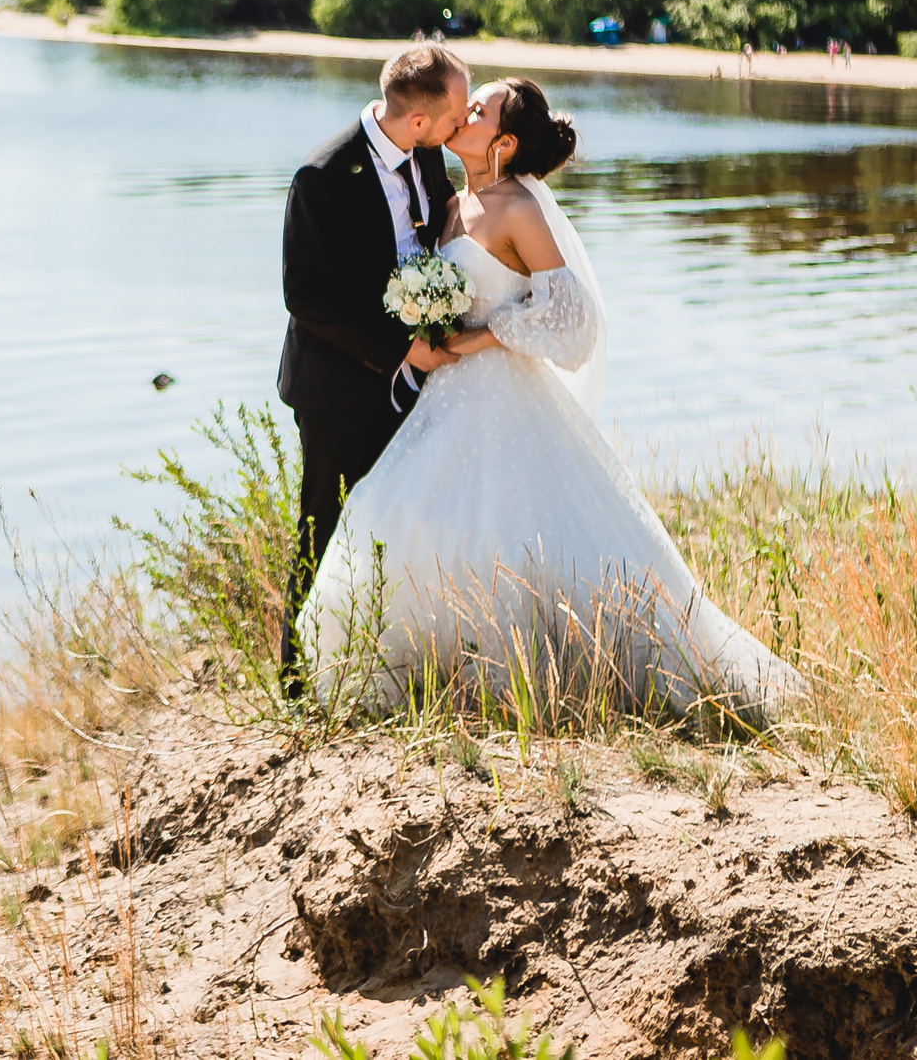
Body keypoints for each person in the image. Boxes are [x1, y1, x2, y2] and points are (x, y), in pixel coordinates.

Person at [296, 77, 800, 719]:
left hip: (504, 395)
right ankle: (422, 675)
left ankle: (540, 682)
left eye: (478, 110)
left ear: (503, 142)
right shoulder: (454, 203)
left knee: (511, 535)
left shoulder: (516, 208)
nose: (464, 111)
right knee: (405, 518)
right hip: (445, 397)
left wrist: (483, 336)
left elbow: (572, 318)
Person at [276, 43, 469, 677]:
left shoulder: (429, 156)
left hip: (414, 384)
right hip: (337, 389)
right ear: (419, 120)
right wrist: (400, 348)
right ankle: (298, 679)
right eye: (454, 114)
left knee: (400, 522)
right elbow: (306, 298)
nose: (460, 123)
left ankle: (378, 666)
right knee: (323, 526)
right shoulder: (323, 176)